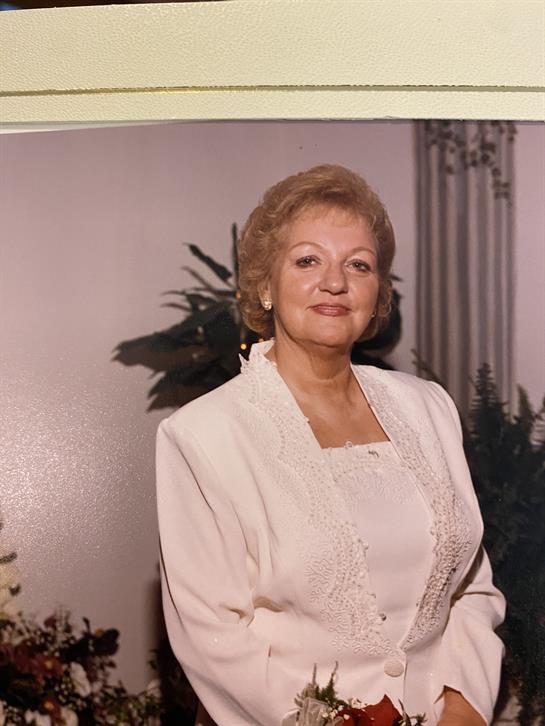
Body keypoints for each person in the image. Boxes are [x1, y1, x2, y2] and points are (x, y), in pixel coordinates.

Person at [155, 164, 505, 726]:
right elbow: (213, 636)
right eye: (307, 260)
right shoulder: (203, 434)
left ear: (377, 292)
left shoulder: (429, 409)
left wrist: (462, 709)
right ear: (264, 285)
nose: (335, 282)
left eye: (358, 264)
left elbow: (471, 590)